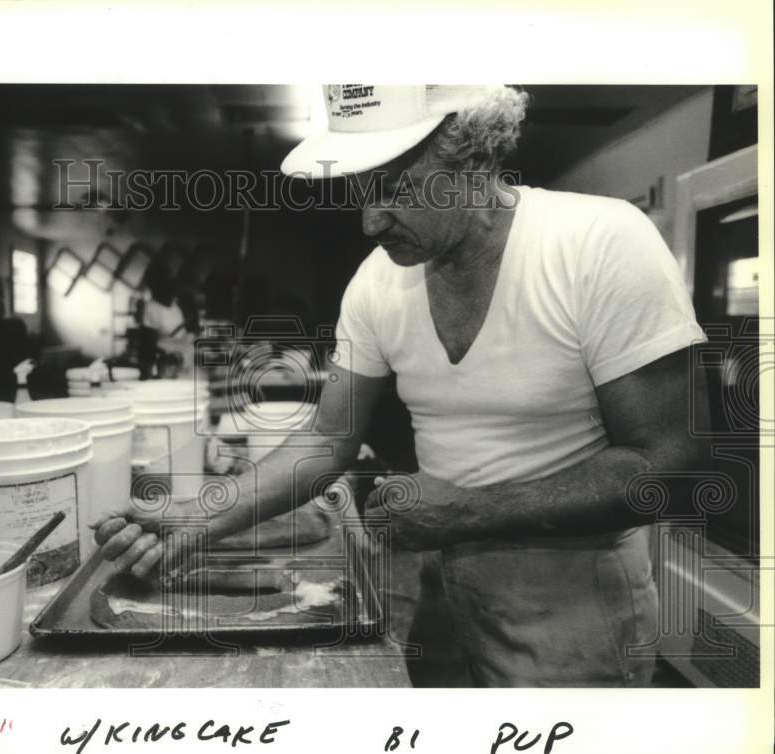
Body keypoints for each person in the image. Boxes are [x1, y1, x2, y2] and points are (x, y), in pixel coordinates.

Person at [92, 85, 709, 687]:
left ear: (472, 157)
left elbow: (668, 464)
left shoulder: (598, 244)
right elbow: (325, 442)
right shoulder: (378, 283)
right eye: (361, 191)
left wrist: (468, 511)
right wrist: (197, 516)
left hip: (575, 600)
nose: (369, 220)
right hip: (441, 581)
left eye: (395, 188)